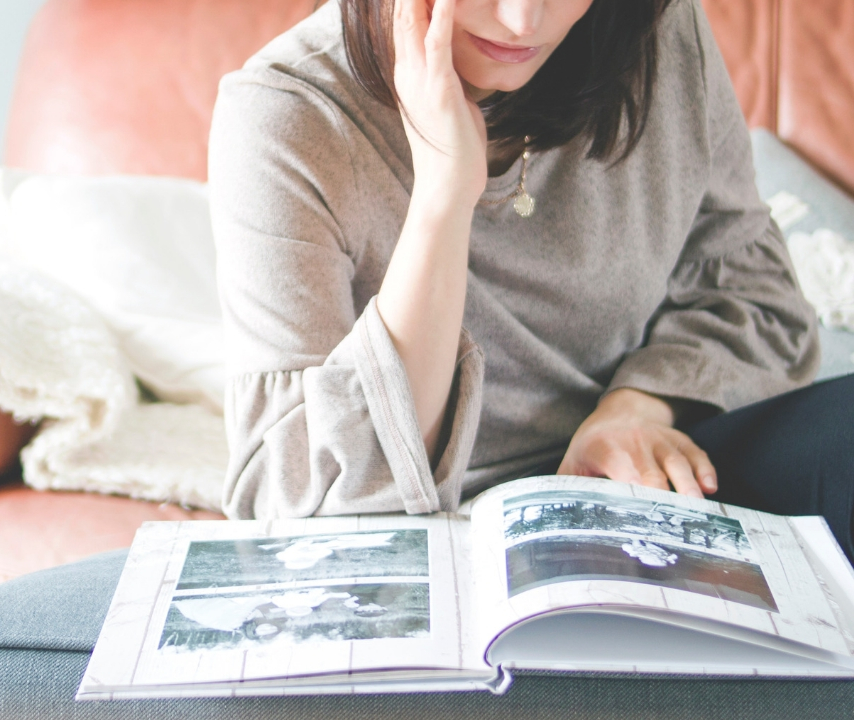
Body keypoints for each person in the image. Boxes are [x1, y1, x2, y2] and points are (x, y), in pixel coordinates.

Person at [208, 0, 854, 555]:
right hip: (447, 531)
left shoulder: (651, 29)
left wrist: (633, 411)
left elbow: (755, 293)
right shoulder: (286, 115)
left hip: (652, 467)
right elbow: (298, 501)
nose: (522, 22)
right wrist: (443, 195)